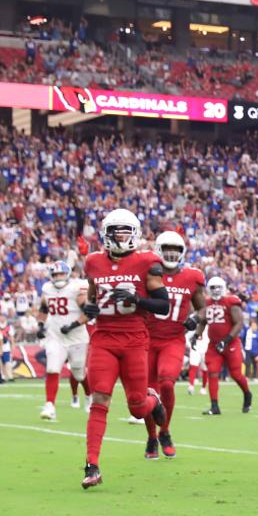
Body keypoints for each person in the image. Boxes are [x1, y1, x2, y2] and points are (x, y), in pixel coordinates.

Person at [80, 208, 171, 489]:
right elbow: (92, 298)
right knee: (100, 399)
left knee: (136, 408)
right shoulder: (93, 262)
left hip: (134, 338)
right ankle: (92, 465)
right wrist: (89, 308)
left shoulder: (148, 262)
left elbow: (163, 305)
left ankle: (152, 400)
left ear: (134, 234)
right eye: (115, 231)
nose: (120, 236)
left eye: (125, 231)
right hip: (104, 338)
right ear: (106, 235)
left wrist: (137, 298)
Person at [144, 231, 206, 459]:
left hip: (173, 339)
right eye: (167, 248)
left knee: (167, 384)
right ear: (159, 249)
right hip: (147, 339)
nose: (171, 253)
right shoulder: (148, 272)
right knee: (148, 393)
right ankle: (151, 437)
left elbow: (203, 308)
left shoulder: (192, 276)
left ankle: (165, 431)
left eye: (176, 249)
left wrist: (196, 319)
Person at [36, 260, 90, 420]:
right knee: (52, 369)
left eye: (61, 274)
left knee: (79, 374)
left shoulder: (75, 288)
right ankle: (49, 406)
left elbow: (88, 312)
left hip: (77, 337)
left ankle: (89, 395)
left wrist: (73, 325)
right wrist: (40, 326)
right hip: (56, 336)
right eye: (55, 274)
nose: (58, 277)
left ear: (66, 275)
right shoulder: (47, 288)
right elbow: (43, 309)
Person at [197, 277, 253, 416]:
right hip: (214, 345)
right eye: (213, 287)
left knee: (236, 374)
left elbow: (239, 323)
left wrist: (226, 340)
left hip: (231, 344)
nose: (215, 290)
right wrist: (196, 335)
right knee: (212, 372)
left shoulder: (230, 301)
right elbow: (203, 322)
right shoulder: (207, 303)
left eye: (218, 287)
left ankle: (247, 394)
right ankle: (214, 406)